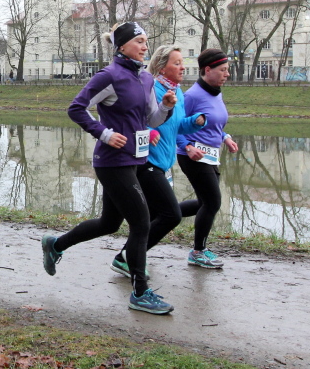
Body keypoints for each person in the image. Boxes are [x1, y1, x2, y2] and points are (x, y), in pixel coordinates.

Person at [41, 21, 177, 315]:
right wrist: (103, 133)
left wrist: (166, 106)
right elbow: (76, 108)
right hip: (113, 162)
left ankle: (55, 245)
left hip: (137, 159)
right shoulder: (109, 76)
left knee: (109, 224)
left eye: (146, 41)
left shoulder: (145, 79)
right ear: (122, 46)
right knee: (141, 223)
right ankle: (140, 292)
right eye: (139, 41)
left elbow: (151, 119)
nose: (145, 47)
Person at [109, 45, 206, 277]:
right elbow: (134, 117)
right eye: (177, 63)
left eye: (183, 63)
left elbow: (176, 126)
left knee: (151, 217)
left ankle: (129, 258)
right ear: (162, 67)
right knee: (171, 215)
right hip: (146, 161)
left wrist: (196, 122)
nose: (183, 67)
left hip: (163, 162)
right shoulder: (151, 87)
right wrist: (148, 130)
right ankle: (127, 258)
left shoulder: (177, 92)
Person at [176, 48, 238, 269]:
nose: (227, 74)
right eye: (223, 70)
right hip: (192, 156)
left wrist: (225, 137)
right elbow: (175, 126)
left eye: (227, 70)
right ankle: (197, 252)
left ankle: (163, 215)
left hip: (211, 155)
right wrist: (187, 147)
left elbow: (213, 123)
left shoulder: (216, 93)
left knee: (204, 203)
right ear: (207, 69)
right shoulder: (192, 96)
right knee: (213, 202)